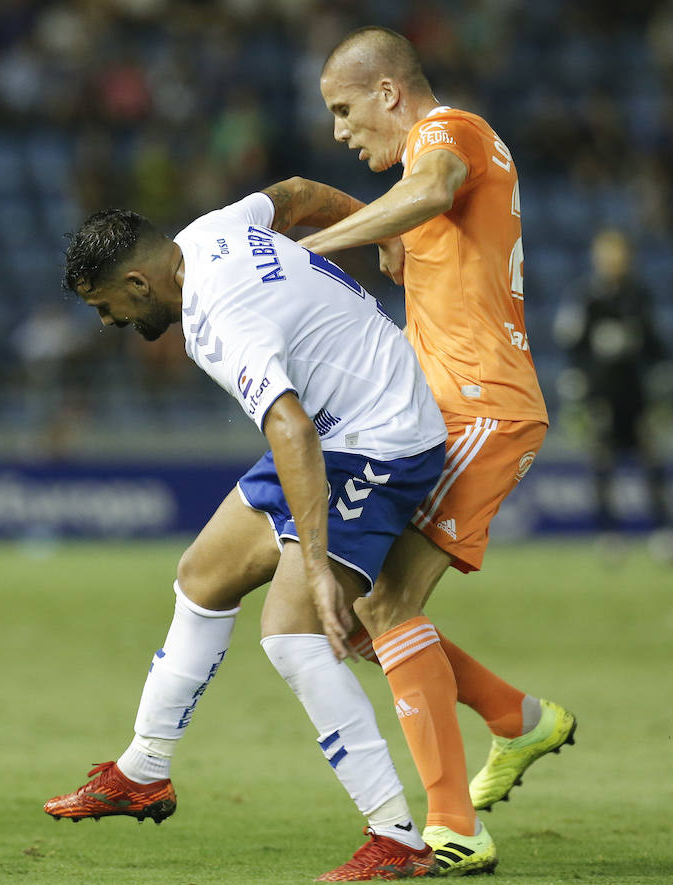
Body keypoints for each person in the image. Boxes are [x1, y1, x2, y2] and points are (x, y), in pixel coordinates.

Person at [44, 194, 472, 879]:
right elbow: (298, 191)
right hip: (336, 424)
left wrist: (318, 569)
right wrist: (382, 229)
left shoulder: (217, 318)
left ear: (138, 284)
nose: (109, 323)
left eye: (107, 308)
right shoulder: (210, 229)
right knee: (203, 574)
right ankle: (144, 767)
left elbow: (291, 430)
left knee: (293, 631)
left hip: (379, 440)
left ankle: (398, 837)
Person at [248, 25, 577, 867]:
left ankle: (452, 826)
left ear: (390, 92)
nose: (339, 130)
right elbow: (413, 219)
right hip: (445, 412)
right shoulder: (418, 179)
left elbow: (433, 187)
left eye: (345, 109)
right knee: (364, 614)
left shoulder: (447, 133)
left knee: (384, 606)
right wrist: (360, 228)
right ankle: (517, 719)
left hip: (482, 409)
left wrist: (309, 251)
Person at [555, 228, 673, 562]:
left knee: (651, 460)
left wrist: (663, 382)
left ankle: (664, 532)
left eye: (619, 254)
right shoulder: (586, 297)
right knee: (603, 463)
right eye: (607, 254)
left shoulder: (639, 295)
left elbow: (656, 344)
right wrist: (578, 390)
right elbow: (572, 345)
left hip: (635, 392)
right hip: (601, 394)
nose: (614, 261)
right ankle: (609, 534)